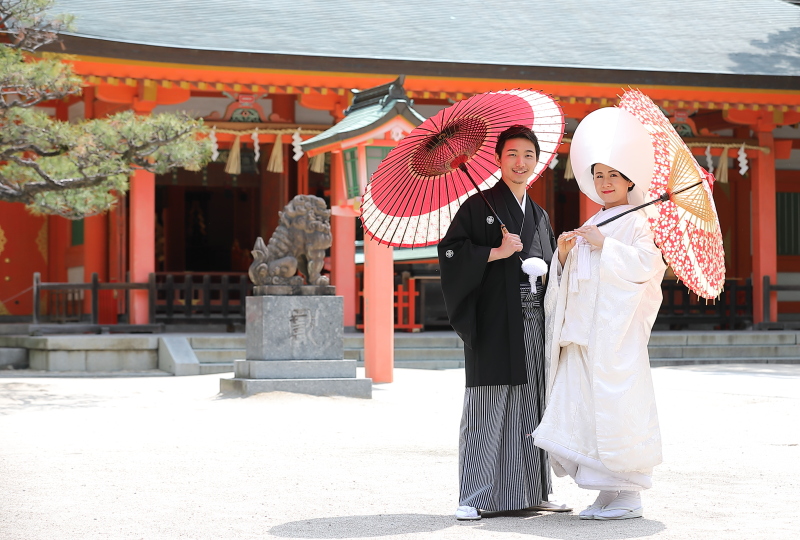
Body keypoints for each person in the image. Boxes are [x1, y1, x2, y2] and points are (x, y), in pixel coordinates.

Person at [531, 107, 666, 521]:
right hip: (583, 332)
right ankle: (606, 492)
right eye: (599, 176)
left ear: (629, 180)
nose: (606, 184)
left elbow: (649, 267)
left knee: (614, 406)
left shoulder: (638, 222)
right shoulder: (598, 219)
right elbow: (576, 277)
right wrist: (566, 255)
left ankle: (629, 495)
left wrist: (607, 246)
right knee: (582, 409)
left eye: (614, 176)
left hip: (613, 335)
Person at [438, 125, 569, 521]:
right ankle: (474, 495)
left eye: (528, 155)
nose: (520, 162)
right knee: (487, 404)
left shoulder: (540, 216)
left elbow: (550, 275)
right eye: (512, 154)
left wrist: (559, 257)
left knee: (534, 407)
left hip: (534, 323)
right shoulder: (478, 207)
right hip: (495, 321)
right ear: (498, 159)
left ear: (537, 162)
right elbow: (449, 254)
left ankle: (532, 491)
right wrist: (495, 252)